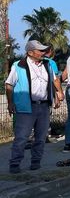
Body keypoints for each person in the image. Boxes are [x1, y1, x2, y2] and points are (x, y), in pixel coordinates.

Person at [5, 40, 63, 173]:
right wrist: (10, 102)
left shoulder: (47, 64)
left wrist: (59, 92)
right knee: (21, 138)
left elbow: (54, 79)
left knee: (41, 137)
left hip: (43, 106)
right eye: (40, 50)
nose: (44, 53)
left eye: (44, 50)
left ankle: (36, 162)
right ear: (30, 52)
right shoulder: (19, 65)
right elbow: (9, 85)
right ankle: (15, 164)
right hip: (26, 107)